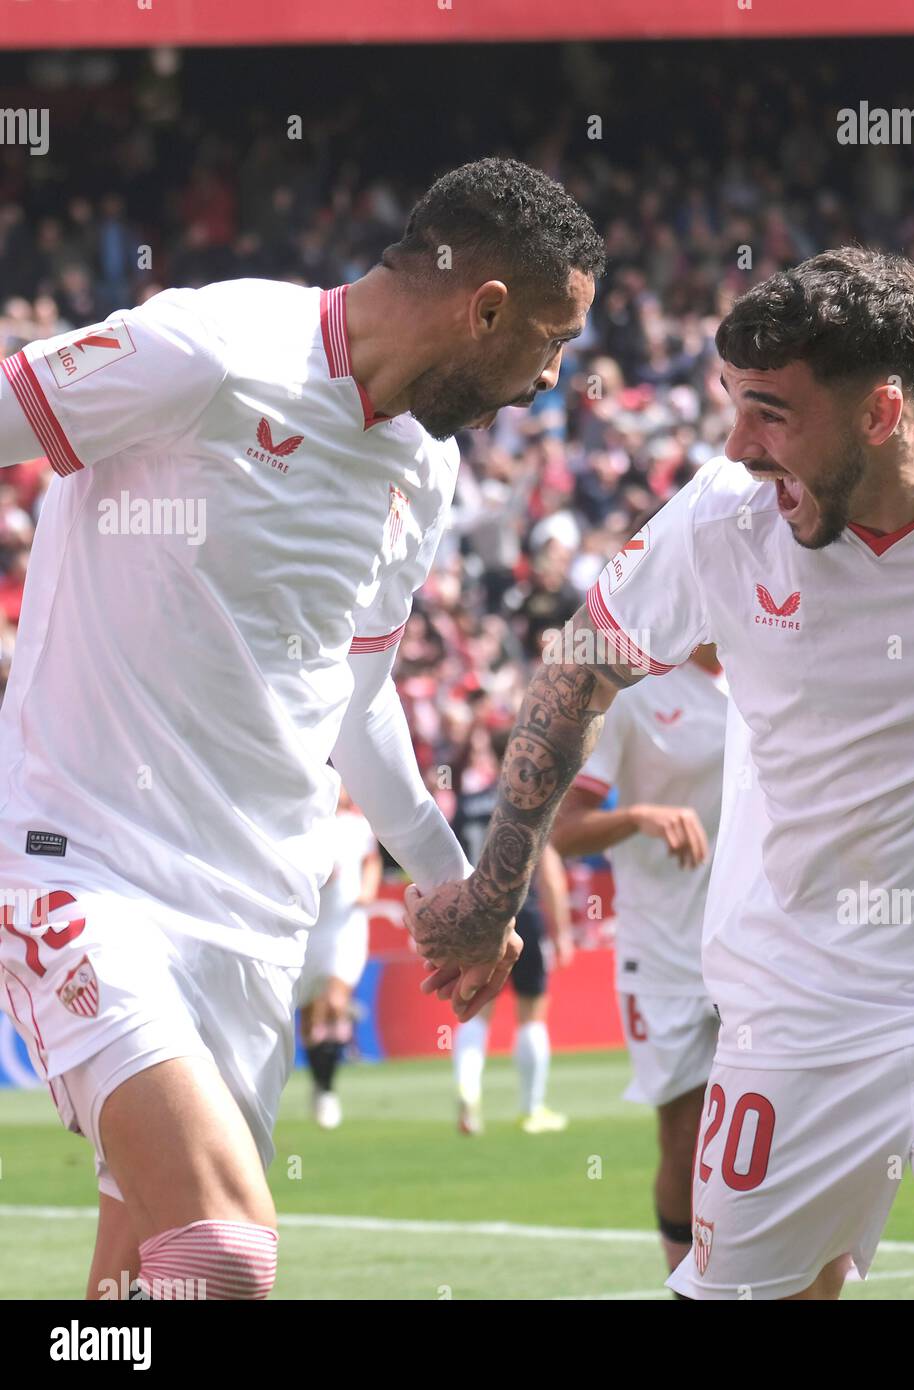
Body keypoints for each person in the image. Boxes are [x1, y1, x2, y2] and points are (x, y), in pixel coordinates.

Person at [407, 246, 914, 1301]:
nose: (736, 444)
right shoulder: (721, 522)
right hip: (795, 1013)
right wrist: (493, 896)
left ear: (878, 412)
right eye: (731, 404)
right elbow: (575, 667)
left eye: (768, 412)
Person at [0, 156, 603, 1300]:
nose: (546, 379)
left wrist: (449, 881)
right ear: (483, 309)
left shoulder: (422, 470)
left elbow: (356, 696)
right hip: (84, 868)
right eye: (547, 340)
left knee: (135, 1289)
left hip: (256, 916)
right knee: (223, 1253)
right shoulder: (212, 349)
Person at [551, 642, 726, 1273]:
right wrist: (642, 816)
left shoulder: (775, 667)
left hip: (763, 948)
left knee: (785, 1130)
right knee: (686, 1137)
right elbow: (563, 829)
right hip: (666, 954)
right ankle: (687, 1283)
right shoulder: (636, 692)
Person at [451, 724, 573, 1135]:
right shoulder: (531, 803)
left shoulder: (467, 802)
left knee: (475, 1012)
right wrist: (563, 932)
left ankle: (469, 1094)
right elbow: (551, 874)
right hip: (524, 913)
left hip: (474, 915)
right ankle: (531, 1109)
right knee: (532, 1013)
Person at [296, 785, 381, 1130]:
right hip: (310, 928)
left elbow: (371, 860)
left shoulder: (357, 826)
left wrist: (368, 891)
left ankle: (329, 1091)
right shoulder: (304, 823)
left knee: (334, 999)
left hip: (346, 924)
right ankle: (320, 1081)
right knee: (310, 1012)